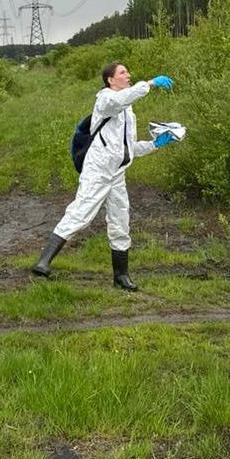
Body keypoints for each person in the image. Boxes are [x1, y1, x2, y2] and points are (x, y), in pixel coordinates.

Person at [31, 61, 180, 291]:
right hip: (97, 171)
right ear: (110, 80)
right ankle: (43, 262)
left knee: (121, 222)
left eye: (128, 72)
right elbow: (122, 99)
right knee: (81, 213)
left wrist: (155, 145)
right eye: (123, 72)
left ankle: (121, 276)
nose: (128, 75)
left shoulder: (129, 111)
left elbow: (127, 148)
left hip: (117, 175)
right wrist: (149, 83)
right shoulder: (105, 100)